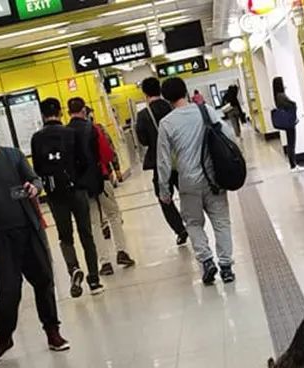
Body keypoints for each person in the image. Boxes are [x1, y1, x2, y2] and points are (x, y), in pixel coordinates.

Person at [0, 112, 69, 359]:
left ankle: (52, 331)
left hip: (28, 230)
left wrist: (35, 187)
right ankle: (5, 337)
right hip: (1, 239)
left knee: (43, 281)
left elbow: (34, 179)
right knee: (7, 290)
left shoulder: (13, 156)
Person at [157, 76, 236, 286]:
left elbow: (163, 161)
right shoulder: (206, 110)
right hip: (214, 178)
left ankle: (207, 261)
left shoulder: (166, 124)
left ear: (166, 99)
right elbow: (229, 136)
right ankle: (226, 267)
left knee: (193, 223)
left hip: (188, 182)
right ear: (185, 92)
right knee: (221, 222)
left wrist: (164, 191)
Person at [30, 98, 103, 297]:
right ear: (61, 113)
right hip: (76, 190)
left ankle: (73, 268)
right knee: (86, 234)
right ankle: (94, 279)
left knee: (65, 236)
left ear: (43, 115)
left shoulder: (37, 138)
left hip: (55, 195)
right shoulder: (71, 133)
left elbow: (37, 168)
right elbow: (85, 160)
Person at [66, 98, 135, 276]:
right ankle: (122, 252)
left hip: (81, 185)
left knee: (94, 223)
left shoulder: (65, 133)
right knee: (113, 214)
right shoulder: (94, 128)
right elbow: (106, 153)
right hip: (101, 178)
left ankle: (104, 263)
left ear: (68, 112)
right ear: (84, 110)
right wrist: (112, 170)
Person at [135, 77, 189, 246]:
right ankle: (193, 222)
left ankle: (180, 229)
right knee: (186, 193)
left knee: (164, 198)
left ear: (144, 93)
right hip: (180, 159)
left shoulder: (143, 115)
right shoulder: (172, 107)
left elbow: (143, 141)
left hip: (160, 162)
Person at [272, 76, 300, 172]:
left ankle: (293, 164)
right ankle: (293, 164)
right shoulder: (281, 95)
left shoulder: (277, 96)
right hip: (289, 121)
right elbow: (292, 104)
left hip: (286, 121)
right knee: (291, 143)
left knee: (290, 142)